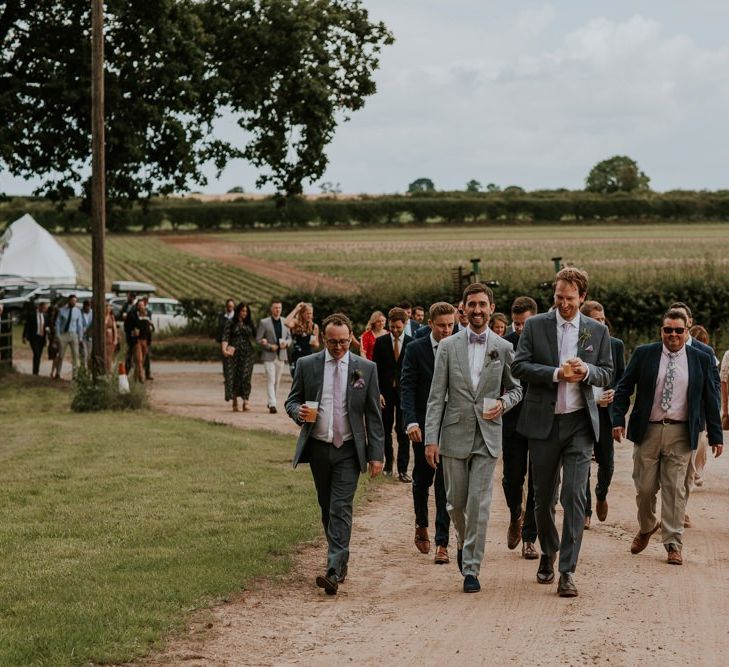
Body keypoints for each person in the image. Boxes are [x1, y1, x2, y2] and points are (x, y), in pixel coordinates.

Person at [512, 267, 613, 598]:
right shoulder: (536, 325)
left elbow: (607, 372)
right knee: (542, 499)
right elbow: (519, 366)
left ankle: (567, 570)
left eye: (570, 299)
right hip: (543, 422)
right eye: (558, 298)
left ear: (582, 297)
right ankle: (549, 551)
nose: (563, 305)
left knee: (574, 495)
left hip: (579, 424)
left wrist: (588, 371)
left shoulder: (596, 331)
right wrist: (555, 373)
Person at [425, 283, 522, 593]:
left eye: (483, 304)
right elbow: (436, 396)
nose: (477, 310)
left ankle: (471, 568)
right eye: (472, 304)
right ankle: (463, 539)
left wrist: (503, 404)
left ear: (491, 308)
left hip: (488, 436)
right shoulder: (447, 346)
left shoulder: (504, 348)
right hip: (453, 433)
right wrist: (431, 438)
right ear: (462, 309)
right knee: (455, 504)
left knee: (479, 505)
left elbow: (518, 388)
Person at [612, 308, 723, 565]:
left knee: (675, 489)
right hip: (648, 430)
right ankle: (647, 525)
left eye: (678, 330)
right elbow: (624, 388)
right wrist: (618, 419)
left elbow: (710, 398)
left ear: (687, 332)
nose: (673, 334)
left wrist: (716, 435)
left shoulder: (700, 358)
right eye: (668, 330)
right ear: (661, 331)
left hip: (681, 431)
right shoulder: (644, 354)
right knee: (645, 488)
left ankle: (673, 541)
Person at [284, 313, 385, 596]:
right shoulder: (308, 365)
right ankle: (340, 561)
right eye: (332, 342)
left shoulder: (365, 368)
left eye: (342, 342)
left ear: (351, 338)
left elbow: (373, 417)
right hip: (318, 447)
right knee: (327, 507)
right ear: (324, 339)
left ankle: (332, 570)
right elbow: (292, 400)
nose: (338, 347)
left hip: (350, 449)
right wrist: (298, 412)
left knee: (341, 507)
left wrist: (377, 454)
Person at [401, 302, 456, 564]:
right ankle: (421, 522)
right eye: (442, 325)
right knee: (423, 478)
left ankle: (442, 542)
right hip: (423, 425)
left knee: (445, 483)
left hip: (452, 424)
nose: (447, 330)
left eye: (450, 325)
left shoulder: (460, 346)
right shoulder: (415, 348)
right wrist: (411, 421)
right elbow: (407, 387)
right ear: (430, 324)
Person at [669, 302, 720, 522]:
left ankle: (679, 511)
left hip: (696, 420)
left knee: (688, 471)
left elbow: (714, 388)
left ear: (689, 322)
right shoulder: (662, 347)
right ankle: (671, 513)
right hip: (666, 420)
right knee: (670, 472)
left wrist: (713, 422)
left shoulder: (705, 351)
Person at [580, 300, 625, 528]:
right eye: (596, 320)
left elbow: (622, 379)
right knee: (583, 462)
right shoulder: (579, 344)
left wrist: (614, 392)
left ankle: (601, 494)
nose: (601, 324)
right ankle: (585, 510)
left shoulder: (615, 345)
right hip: (582, 411)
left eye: (602, 319)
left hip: (606, 412)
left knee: (607, 462)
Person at [501, 296, 539, 559]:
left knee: (538, 483)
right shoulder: (505, 345)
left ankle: (529, 539)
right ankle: (516, 513)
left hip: (540, 421)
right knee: (512, 478)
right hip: (512, 419)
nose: (520, 329)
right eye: (516, 324)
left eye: (524, 323)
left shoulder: (546, 345)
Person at [373, 307, 413, 481]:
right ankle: (388, 465)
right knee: (385, 429)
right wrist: (378, 392)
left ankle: (403, 470)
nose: (395, 330)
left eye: (398, 327)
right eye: (392, 327)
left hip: (404, 393)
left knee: (404, 430)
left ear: (404, 324)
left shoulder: (411, 343)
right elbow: (375, 369)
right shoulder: (381, 342)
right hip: (386, 393)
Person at [256, 299, 291, 414]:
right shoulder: (264, 322)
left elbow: (290, 338)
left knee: (277, 380)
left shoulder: (285, 321)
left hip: (281, 355)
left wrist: (287, 343)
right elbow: (258, 339)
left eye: (279, 308)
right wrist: (269, 346)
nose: (278, 310)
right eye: (275, 308)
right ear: (271, 309)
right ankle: (272, 404)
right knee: (271, 378)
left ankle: (272, 400)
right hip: (268, 355)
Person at [222, 302, 256, 412]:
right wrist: (224, 349)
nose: (244, 313)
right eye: (242, 311)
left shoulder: (250, 323)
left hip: (247, 353)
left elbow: (258, 336)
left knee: (246, 376)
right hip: (234, 353)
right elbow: (226, 336)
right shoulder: (231, 323)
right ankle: (235, 400)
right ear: (238, 311)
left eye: (246, 311)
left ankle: (246, 400)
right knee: (235, 376)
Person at [285, 302, 320, 377]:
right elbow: (286, 322)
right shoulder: (295, 323)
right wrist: (296, 309)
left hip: (309, 356)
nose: (309, 316)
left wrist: (315, 344)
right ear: (302, 313)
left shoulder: (314, 326)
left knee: (308, 380)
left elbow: (317, 344)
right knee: (296, 379)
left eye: (311, 313)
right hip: (296, 356)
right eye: (307, 313)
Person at [55, 294, 83, 378]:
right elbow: (58, 323)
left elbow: (80, 325)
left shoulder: (78, 311)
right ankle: (58, 373)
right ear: (69, 301)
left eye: (75, 301)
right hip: (64, 334)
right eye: (72, 301)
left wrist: (80, 337)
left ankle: (75, 375)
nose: (73, 302)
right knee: (60, 355)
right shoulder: (62, 310)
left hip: (73, 334)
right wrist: (58, 335)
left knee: (75, 355)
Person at [130, 300, 154, 383]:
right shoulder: (135, 316)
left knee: (141, 360)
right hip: (138, 340)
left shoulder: (148, 316)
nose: (141, 307)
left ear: (144, 306)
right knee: (139, 359)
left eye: (142, 305)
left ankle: (135, 378)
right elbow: (133, 327)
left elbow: (151, 329)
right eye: (139, 305)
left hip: (145, 340)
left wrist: (151, 326)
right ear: (137, 306)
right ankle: (141, 377)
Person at [22, 301, 49, 375]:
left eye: (46, 308)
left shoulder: (46, 316)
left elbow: (46, 326)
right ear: (40, 307)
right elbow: (27, 326)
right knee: (36, 353)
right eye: (44, 308)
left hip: (42, 337)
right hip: (34, 337)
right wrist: (24, 336)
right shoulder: (32, 315)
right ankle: (35, 371)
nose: (45, 310)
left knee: (39, 355)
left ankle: (36, 370)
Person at [216, 299, 236, 373]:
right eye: (229, 306)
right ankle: (226, 377)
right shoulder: (221, 316)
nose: (230, 307)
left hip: (233, 342)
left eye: (231, 306)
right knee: (225, 361)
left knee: (233, 360)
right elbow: (220, 328)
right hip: (224, 341)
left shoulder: (236, 317)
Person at [103, 303, 118, 373]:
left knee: (109, 356)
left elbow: (114, 328)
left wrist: (115, 339)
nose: (107, 308)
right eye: (106, 307)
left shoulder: (112, 317)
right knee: (104, 356)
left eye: (109, 307)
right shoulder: (102, 317)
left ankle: (109, 371)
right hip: (103, 338)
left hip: (110, 338)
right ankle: (105, 370)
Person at [47, 304, 61, 379]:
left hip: (58, 339)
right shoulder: (52, 321)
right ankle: (54, 372)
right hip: (55, 340)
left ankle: (54, 372)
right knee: (56, 357)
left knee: (57, 357)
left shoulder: (55, 321)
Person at [80, 299, 93, 369]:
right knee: (84, 354)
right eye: (86, 306)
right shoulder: (80, 313)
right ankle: (83, 370)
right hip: (82, 337)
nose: (88, 308)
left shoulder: (92, 313)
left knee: (89, 355)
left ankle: (88, 370)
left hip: (90, 337)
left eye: (89, 306)